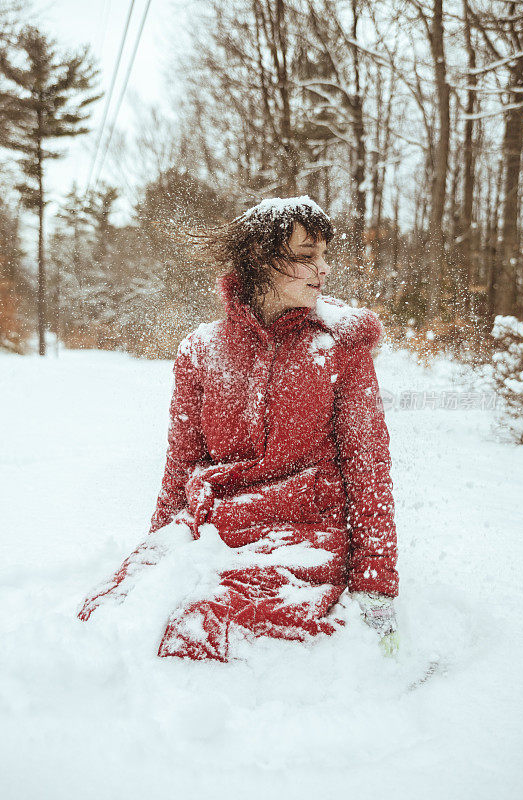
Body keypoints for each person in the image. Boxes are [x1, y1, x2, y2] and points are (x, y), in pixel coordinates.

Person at [78, 195, 399, 661]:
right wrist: (157, 546)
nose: (323, 269)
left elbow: (368, 467)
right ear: (260, 261)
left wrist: (376, 582)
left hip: (302, 533)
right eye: (306, 256)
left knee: (199, 628)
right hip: (212, 525)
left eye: (325, 255)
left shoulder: (341, 348)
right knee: (110, 614)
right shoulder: (201, 351)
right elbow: (182, 467)